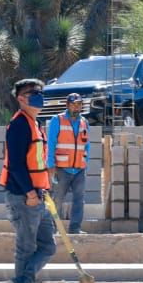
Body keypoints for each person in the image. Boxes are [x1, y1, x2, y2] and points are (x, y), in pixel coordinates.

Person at [2, 78, 55, 283]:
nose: (37, 95)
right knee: (25, 248)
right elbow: (15, 164)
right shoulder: (19, 125)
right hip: (24, 197)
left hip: (38, 196)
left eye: (39, 92)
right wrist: (30, 192)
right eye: (32, 92)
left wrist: (42, 189)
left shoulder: (36, 123)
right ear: (20, 98)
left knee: (47, 246)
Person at [46, 93, 91, 234]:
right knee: (58, 200)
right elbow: (51, 143)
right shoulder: (57, 120)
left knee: (79, 200)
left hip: (79, 169)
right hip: (62, 169)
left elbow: (87, 145)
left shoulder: (84, 122)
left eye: (79, 105)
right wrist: (50, 164)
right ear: (67, 105)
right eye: (73, 104)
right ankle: (55, 230)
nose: (76, 107)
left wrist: (85, 162)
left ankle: (75, 228)